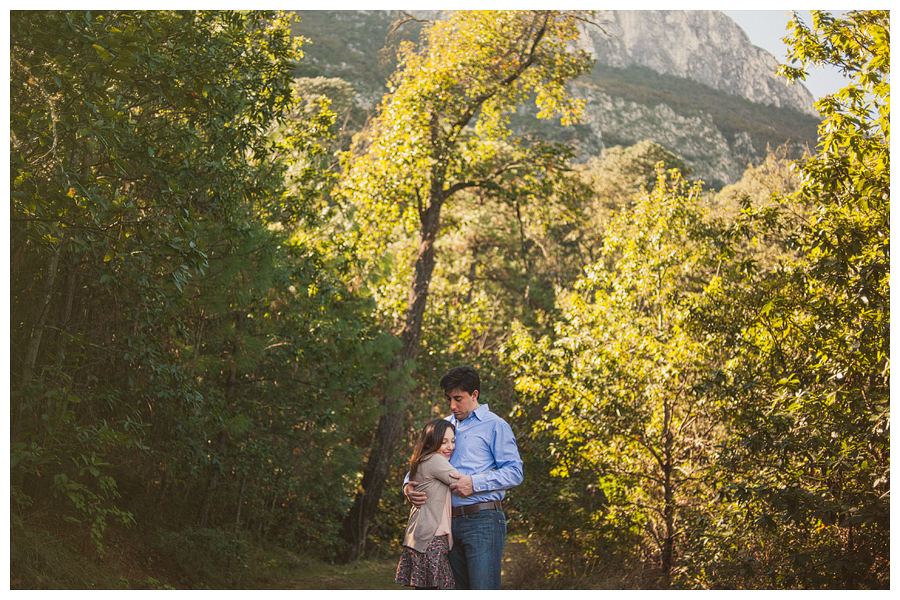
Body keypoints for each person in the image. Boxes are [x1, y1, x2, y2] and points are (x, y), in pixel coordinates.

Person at [403, 366, 524, 590]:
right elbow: (423, 460)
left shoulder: (495, 425)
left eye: (458, 399)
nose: (452, 405)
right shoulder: (442, 426)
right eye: (449, 398)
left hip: (483, 521)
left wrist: (474, 483)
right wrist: (407, 487)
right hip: (445, 525)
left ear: (474, 395)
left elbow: (515, 472)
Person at [394, 418, 459, 590]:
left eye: (453, 441)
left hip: (421, 537)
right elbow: (461, 481)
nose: (450, 447)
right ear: (432, 441)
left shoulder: (423, 460)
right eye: (444, 442)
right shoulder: (436, 460)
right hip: (432, 539)